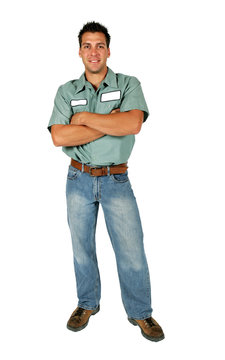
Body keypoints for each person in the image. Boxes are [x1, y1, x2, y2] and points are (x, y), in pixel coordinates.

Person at [48, 21, 164, 342]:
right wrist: (113, 122)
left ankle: (141, 312)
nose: (93, 51)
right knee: (81, 248)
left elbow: (134, 123)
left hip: (116, 179)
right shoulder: (66, 91)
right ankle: (87, 304)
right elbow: (59, 135)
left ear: (109, 50)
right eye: (87, 46)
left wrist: (83, 119)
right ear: (80, 52)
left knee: (131, 250)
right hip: (78, 178)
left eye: (99, 45)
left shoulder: (128, 84)